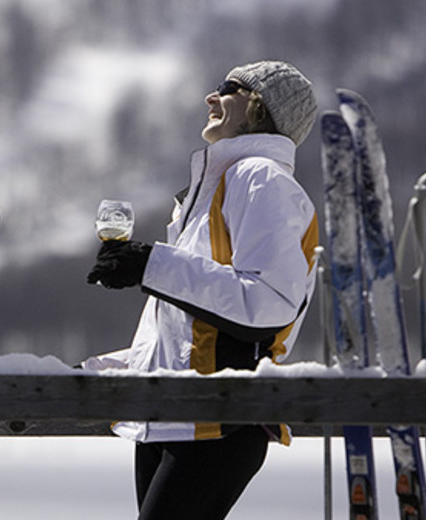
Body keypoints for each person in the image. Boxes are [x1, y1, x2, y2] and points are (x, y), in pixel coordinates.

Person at [85, 60, 319, 519]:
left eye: (226, 89)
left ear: (258, 107)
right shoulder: (213, 189)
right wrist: (89, 371)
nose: (210, 98)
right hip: (172, 418)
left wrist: (150, 263)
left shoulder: (261, 179)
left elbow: (268, 304)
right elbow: (186, 336)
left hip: (220, 421)